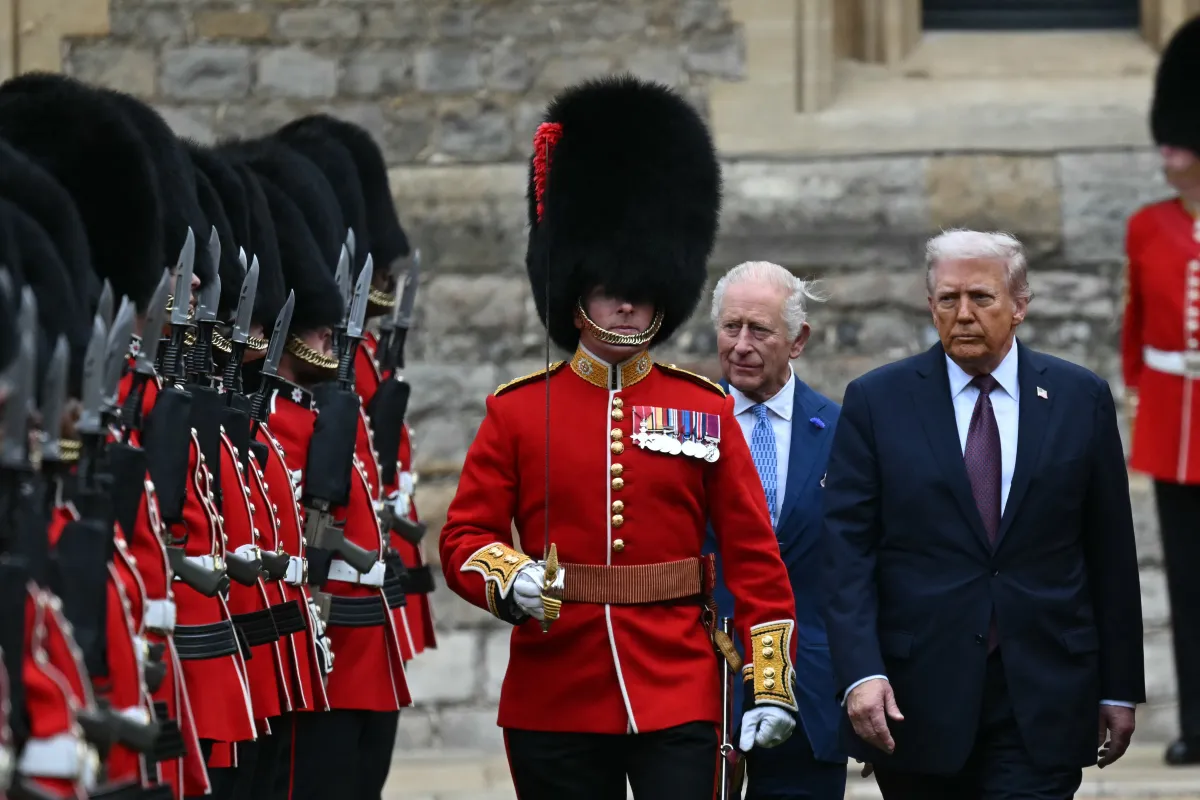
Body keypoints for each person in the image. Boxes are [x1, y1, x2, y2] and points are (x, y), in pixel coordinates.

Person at [439, 75, 799, 800]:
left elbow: (754, 559)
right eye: (610, 286)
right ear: (577, 292)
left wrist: (770, 684)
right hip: (556, 687)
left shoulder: (702, 407)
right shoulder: (516, 411)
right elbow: (464, 537)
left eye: (642, 287)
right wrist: (510, 578)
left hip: (678, 685)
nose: (629, 300)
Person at [821, 229, 1146, 798]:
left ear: (1020, 304)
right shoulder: (878, 401)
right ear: (930, 306)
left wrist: (1119, 687)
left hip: (1043, 694)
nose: (963, 314)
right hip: (917, 700)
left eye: (981, 297)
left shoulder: (1079, 397)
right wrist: (860, 673)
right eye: (948, 299)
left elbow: (1109, 552)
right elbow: (848, 553)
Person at [704, 260, 847, 800]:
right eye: (730, 327)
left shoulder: (844, 430)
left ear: (798, 340)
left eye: (759, 330)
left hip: (809, 691)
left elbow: (863, 565)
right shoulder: (681, 425)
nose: (741, 345)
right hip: (705, 687)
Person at [1122, 14, 1200, 767]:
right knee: (1186, 584)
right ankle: (1197, 721)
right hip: (1175, 421)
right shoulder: (1148, 227)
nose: (1168, 151)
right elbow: (1137, 330)